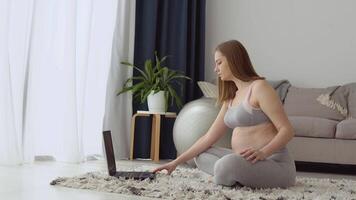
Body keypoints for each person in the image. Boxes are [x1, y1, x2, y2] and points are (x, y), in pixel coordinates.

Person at [152, 40, 296, 188]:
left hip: (273, 162)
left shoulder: (259, 88)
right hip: (245, 161)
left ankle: (226, 175)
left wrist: (263, 152)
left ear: (234, 60)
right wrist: (174, 163)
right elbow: (208, 137)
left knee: (226, 164)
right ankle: (232, 176)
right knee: (201, 156)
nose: (215, 69)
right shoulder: (231, 98)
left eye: (219, 63)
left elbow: (287, 130)